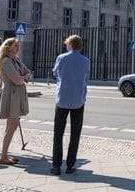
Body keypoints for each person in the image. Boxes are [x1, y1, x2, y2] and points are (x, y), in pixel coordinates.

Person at [50, 35, 90, 175]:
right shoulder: (86, 60)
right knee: (75, 134)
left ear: (70, 45)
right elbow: (85, 77)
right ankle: (70, 165)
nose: (66, 46)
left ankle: (56, 166)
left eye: (67, 44)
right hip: (78, 100)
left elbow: (55, 73)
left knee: (58, 133)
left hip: (62, 100)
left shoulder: (61, 58)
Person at [0, 38, 30, 165]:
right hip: (12, 95)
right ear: (8, 47)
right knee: (12, 125)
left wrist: (25, 76)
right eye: (15, 45)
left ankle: (4, 154)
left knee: (12, 126)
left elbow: (29, 73)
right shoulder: (7, 61)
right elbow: (17, 79)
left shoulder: (16, 59)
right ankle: (3, 156)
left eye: (18, 45)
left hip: (17, 94)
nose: (18, 47)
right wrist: (24, 77)